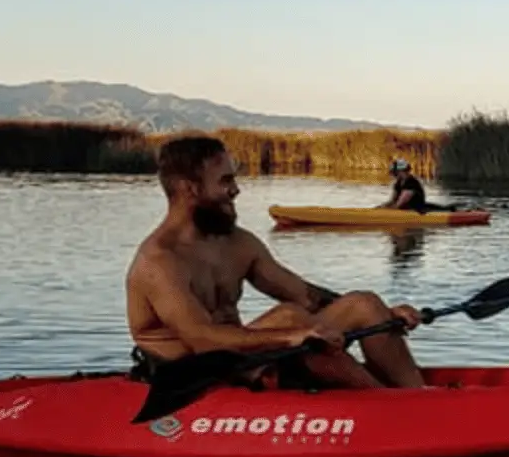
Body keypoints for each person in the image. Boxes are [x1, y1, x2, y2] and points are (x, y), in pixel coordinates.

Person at [126, 135, 427, 389]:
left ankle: (420, 397)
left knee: (364, 303)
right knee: (289, 318)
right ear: (189, 188)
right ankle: (384, 406)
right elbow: (200, 339)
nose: (236, 190)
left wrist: (387, 316)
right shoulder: (159, 262)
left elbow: (306, 297)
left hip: (244, 359)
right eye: (225, 181)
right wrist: (293, 336)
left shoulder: (237, 242)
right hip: (188, 373)